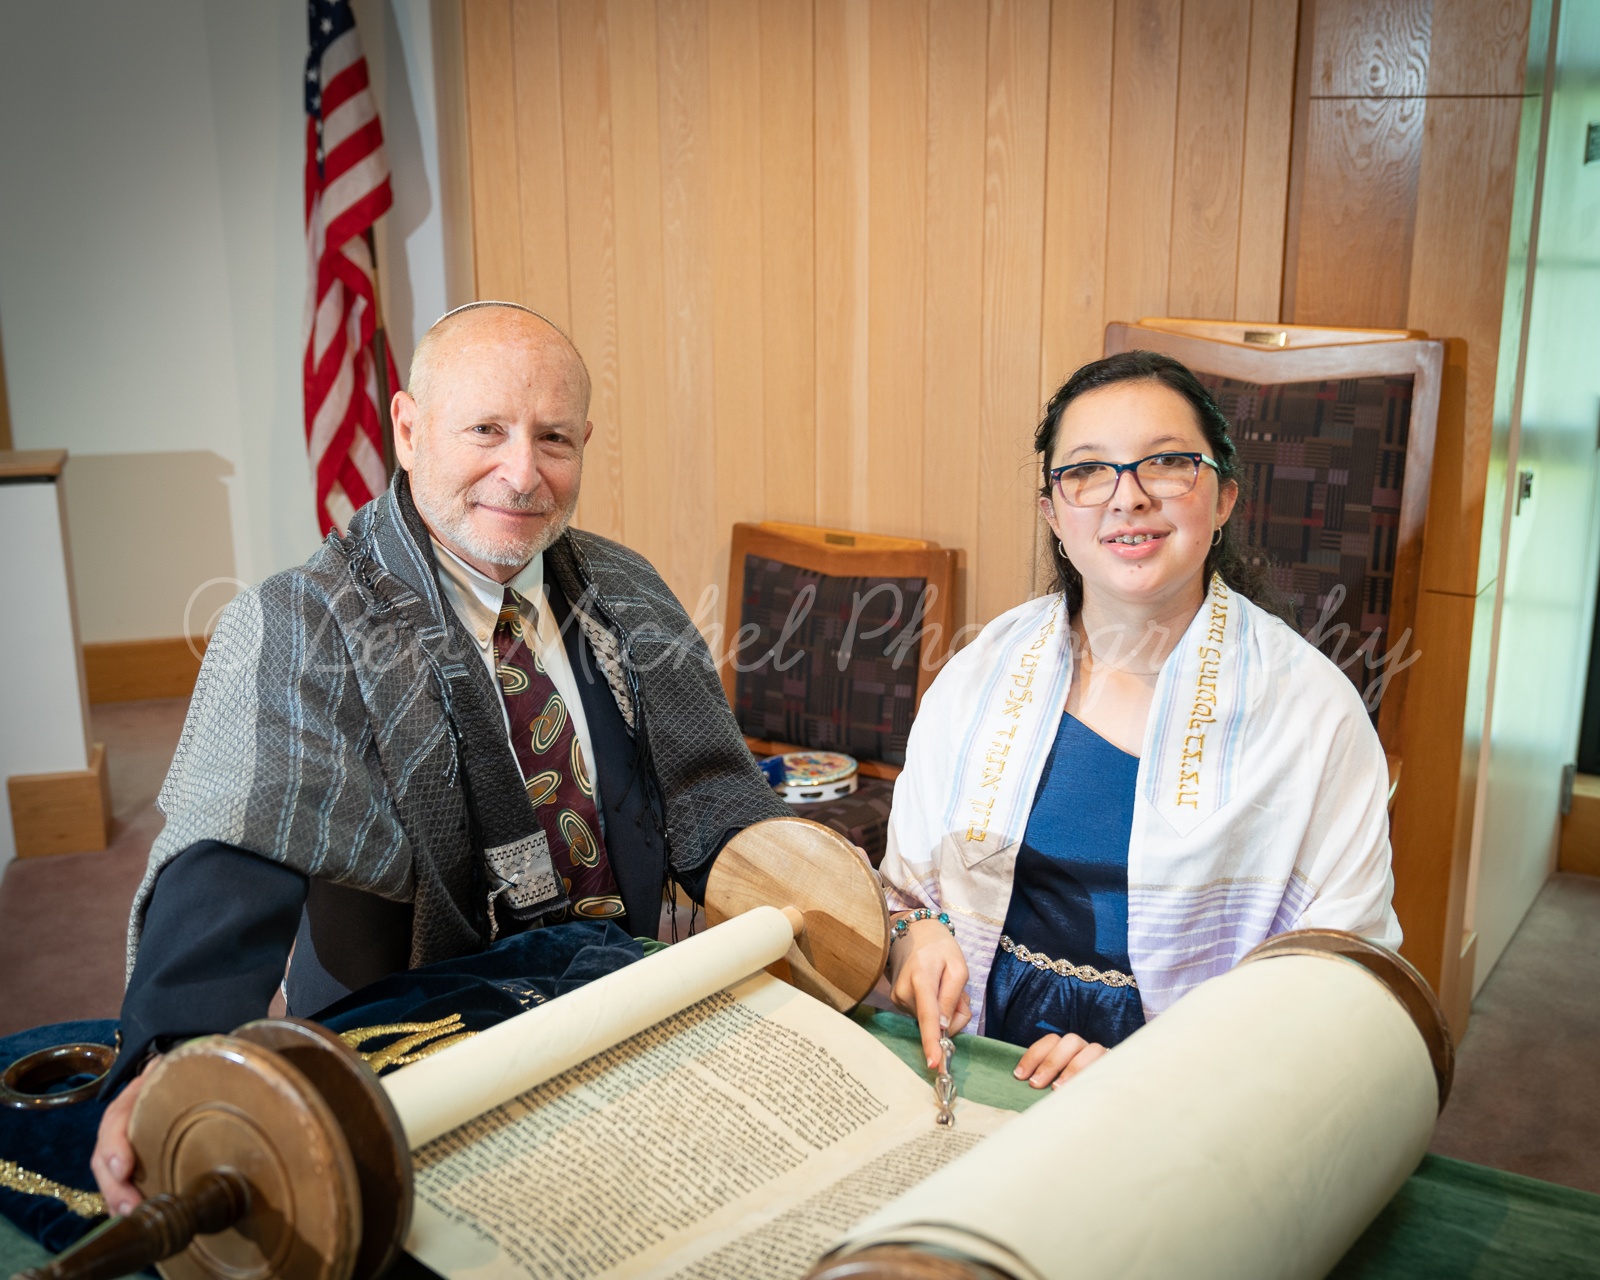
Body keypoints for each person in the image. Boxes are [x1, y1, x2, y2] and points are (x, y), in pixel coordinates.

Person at [91, 302, 788, 1210]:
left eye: (554, 438)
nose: (522, 473)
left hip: (627, 1022)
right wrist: (173, 1055)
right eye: (486, 430)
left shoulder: (627, 588)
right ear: (409, 430)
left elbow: (718, 801)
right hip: (419, 1070)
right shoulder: (303, 622)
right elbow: (234, 856)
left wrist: (847, 908)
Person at [881, 350, 1400, 1089]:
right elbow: (905, 897)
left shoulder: (1313, 711)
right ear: (1053, 514)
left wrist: (1153, 1073)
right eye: (1088, 471)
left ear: (1224, 498)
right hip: (983, 1051)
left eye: (1167, 463)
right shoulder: (980, 675)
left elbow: (1343, 972)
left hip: (1199, 1083)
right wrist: (915, 939)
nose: (1127, 498)